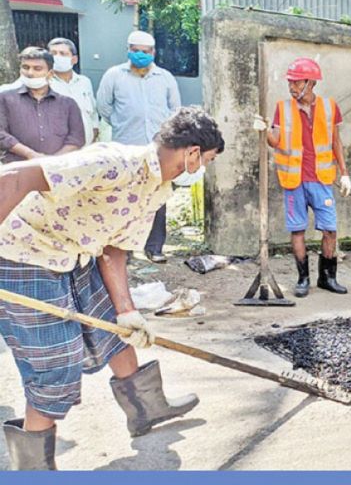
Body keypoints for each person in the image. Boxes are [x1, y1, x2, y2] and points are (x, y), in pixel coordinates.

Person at [0, 107, 223, 471]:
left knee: (118, 331)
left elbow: (115, 247)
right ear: (193, 152)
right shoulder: (113, 163)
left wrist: (127, 310)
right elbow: (13, 176)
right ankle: (33, 471)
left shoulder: (157, 189)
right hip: (25, 255)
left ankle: (145, 410)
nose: (204, 169)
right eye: (208, 160)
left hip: (73, 252)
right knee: (54, 366)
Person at [254, 57, 351, 298]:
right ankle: (303, 278)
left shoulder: (330, 107)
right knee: (297, 231)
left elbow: (335, 141)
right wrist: (265, 130)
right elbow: (275, 142)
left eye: (297, 83)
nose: (292, 87)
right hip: (293, 181)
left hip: (321, 179)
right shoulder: (283, 108)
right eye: (290, 82)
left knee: (330, 230)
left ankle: (328, 277)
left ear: (311, 82)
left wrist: (345, 173)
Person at [97, 30, 181, 263]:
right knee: (126, 197)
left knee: (157, 197)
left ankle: (154, 248)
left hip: (159, 149)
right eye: (136, 51)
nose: (140, 55)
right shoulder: (114, 75)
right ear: (128, 50)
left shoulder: (165, 78)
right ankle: (126, 249)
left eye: (145, 52)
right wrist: (123, 124)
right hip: (126, 148)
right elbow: (103, 106)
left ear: (153, 52)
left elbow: (175, 110)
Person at [0, 47, 85, 164]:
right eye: (25, 67)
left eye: (37, 69)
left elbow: (77, 138)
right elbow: (1, 134)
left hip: (58, 170)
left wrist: (52, 162)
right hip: (18, 168)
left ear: (50, 74)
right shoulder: (5, 98)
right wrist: (31, 155)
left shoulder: (67, 104)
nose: (30, 73)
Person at [47, 38, 101, 145]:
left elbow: (93, 112)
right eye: (53, 53)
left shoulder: (84, 82)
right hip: (59, 148)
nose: (57, 57)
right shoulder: (45, 84)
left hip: (86, 147)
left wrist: (95, 131)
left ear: (74, 59)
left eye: (63, 53)